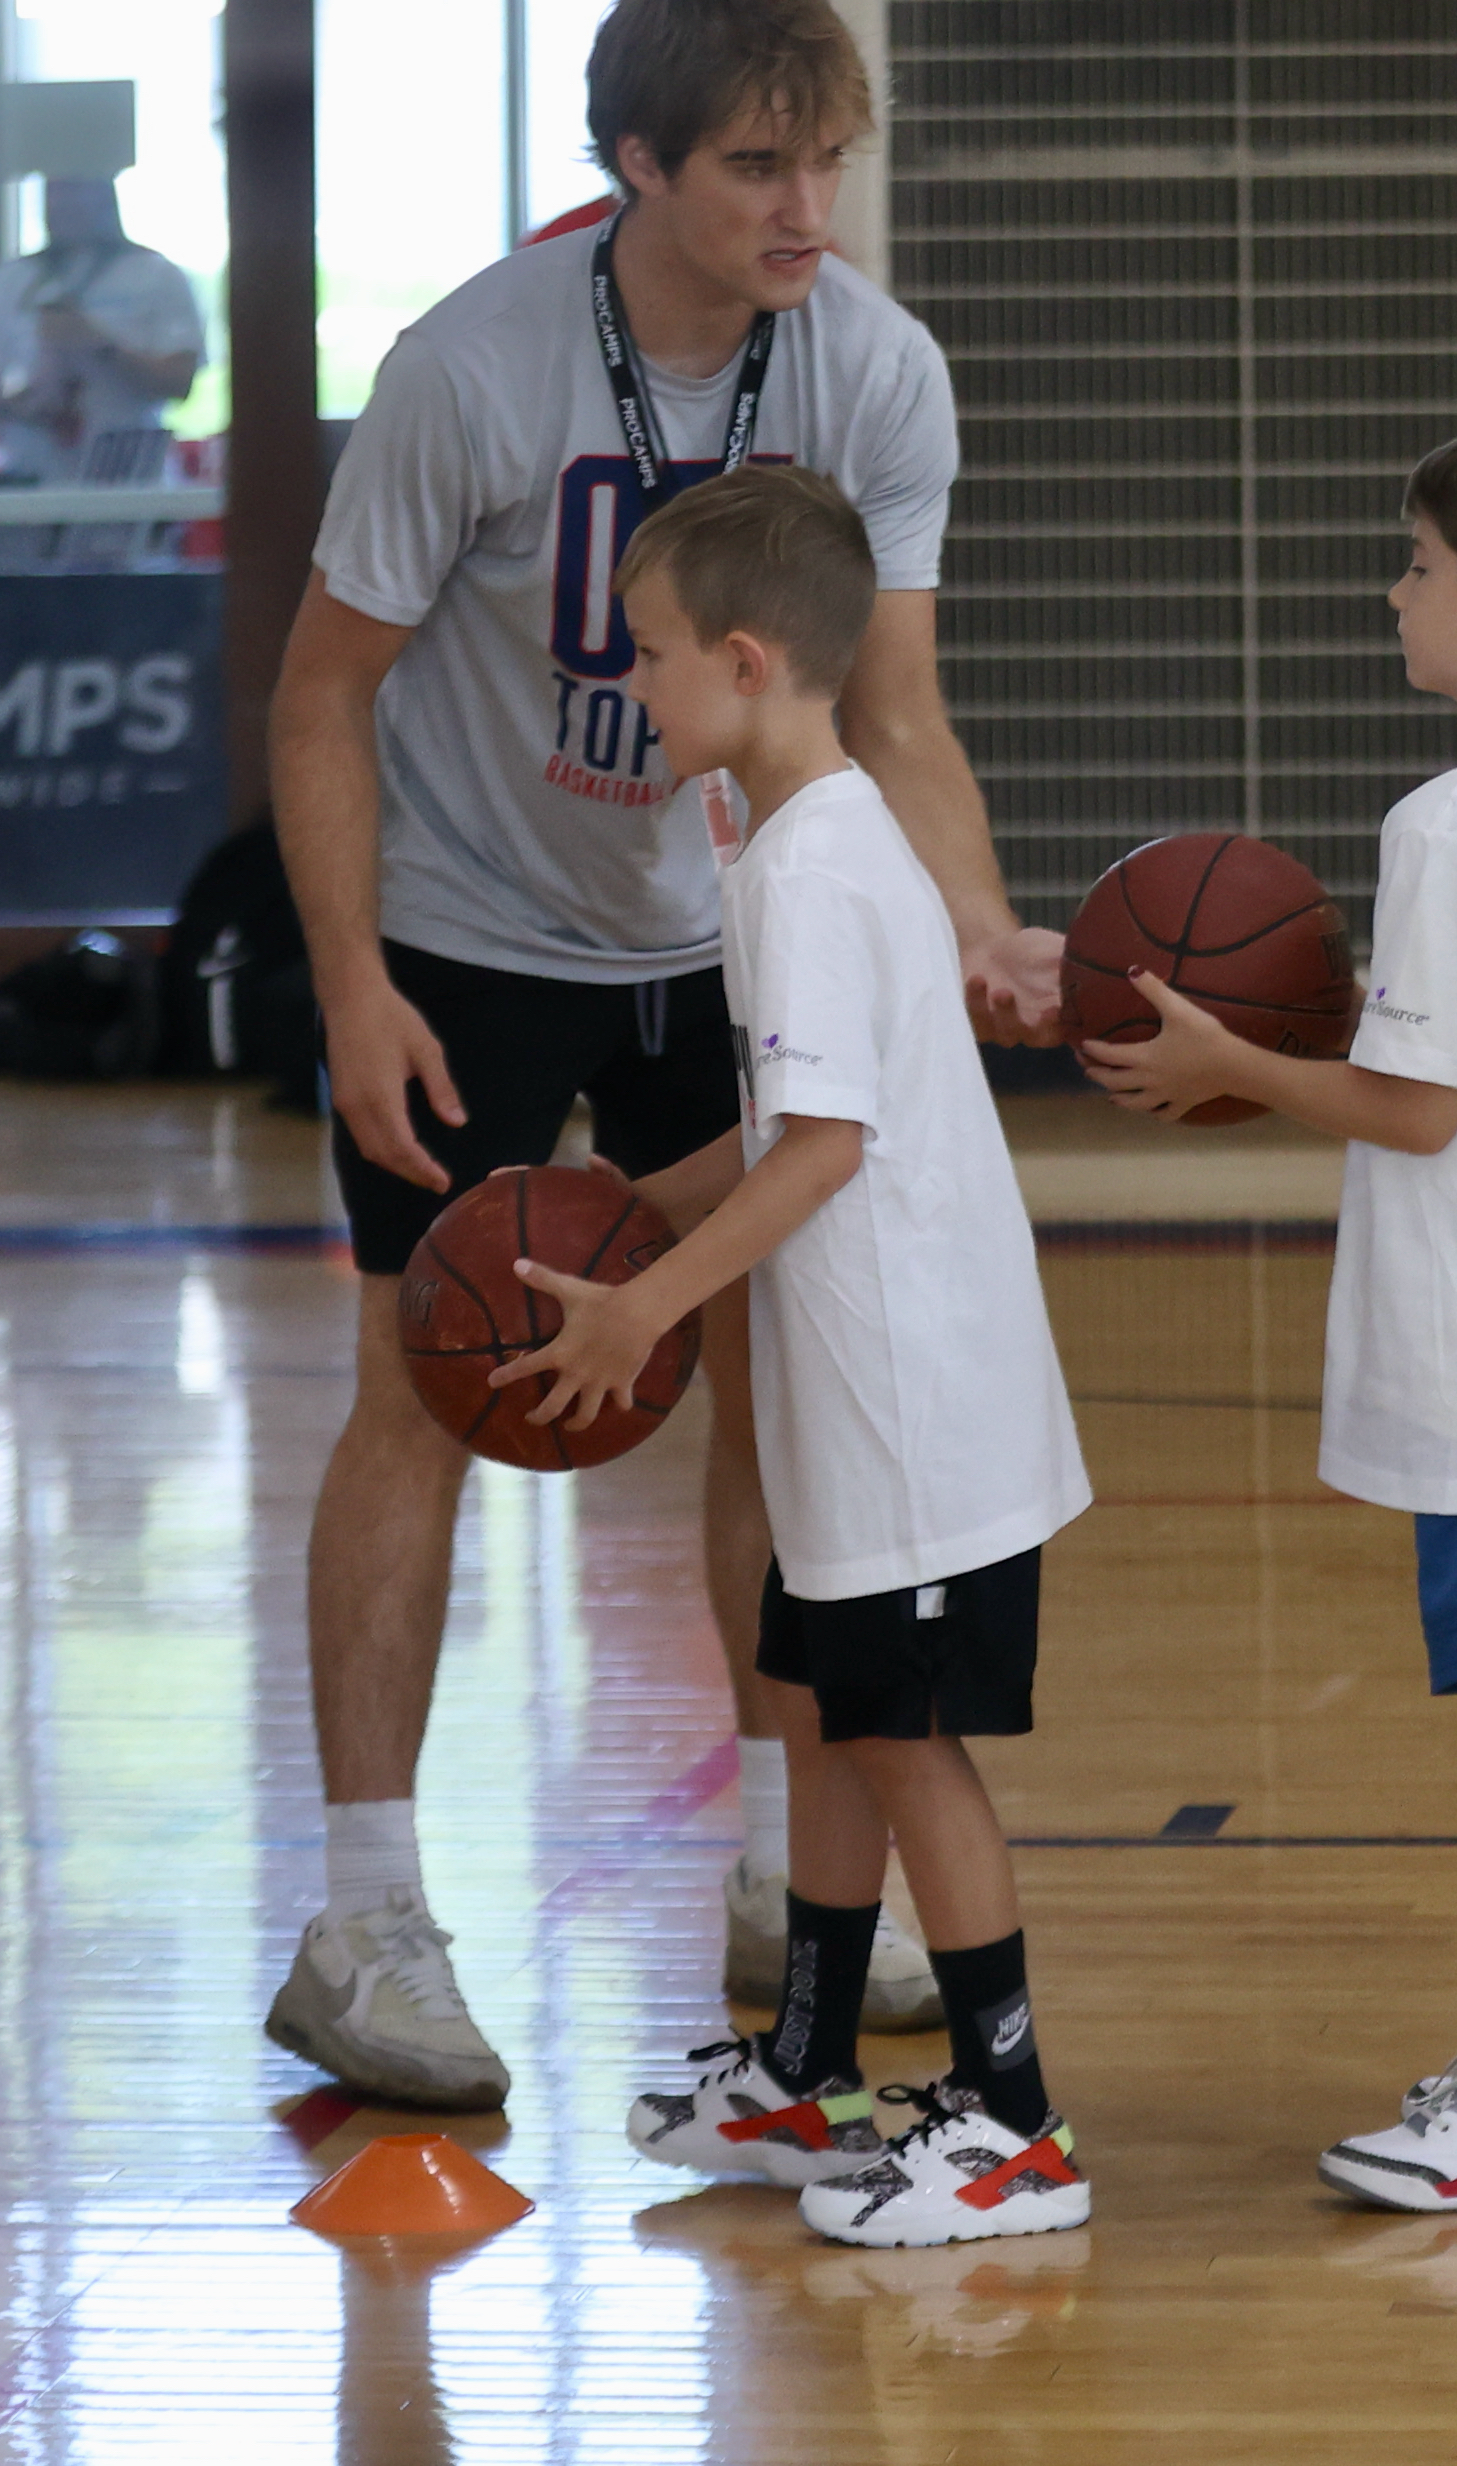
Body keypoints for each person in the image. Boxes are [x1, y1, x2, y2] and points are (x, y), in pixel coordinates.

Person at [265, 0, 1054, 2109]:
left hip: (730, 922)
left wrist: (972, 922)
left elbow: (896, 709)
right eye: (756, 165)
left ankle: (778, 1886)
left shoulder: (874, 371)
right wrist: (352, 979)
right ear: (633, 166)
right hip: (467, 927)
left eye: (828, 159)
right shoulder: (474, 367)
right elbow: (324, 687)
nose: (809, 205)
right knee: (419, 1381)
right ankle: (367, 1906)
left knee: (777, 1397)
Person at [1080, 411, 1457, 2212]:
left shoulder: (1451, 821)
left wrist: (1229, 1058)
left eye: (1414, 565)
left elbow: (1417, 1107)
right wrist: (1260, 1049)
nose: (1391, 591)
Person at [523, 466, 1093, 2246]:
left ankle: (1013, 2125)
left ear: (752, 662)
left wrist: (649, 1294)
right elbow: (794, 1113)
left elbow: (824, 1151)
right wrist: (624, 1205)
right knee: (840, 1724)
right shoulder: (808, 839)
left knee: (910, 1742)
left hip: (918, 1403)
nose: (634, 677)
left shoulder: (812, 865)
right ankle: (809, 2066)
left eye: (656, 647)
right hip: (865, 1403)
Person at [0, 173, 206, 569]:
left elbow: (179, 382)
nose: (61, 203)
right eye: (53, 190)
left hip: (128, 492)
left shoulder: (156, 276)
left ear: (104, 194)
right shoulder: (13, 281)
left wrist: (100, 343)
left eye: (74, 187)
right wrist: (29, 399)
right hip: (31, 489)